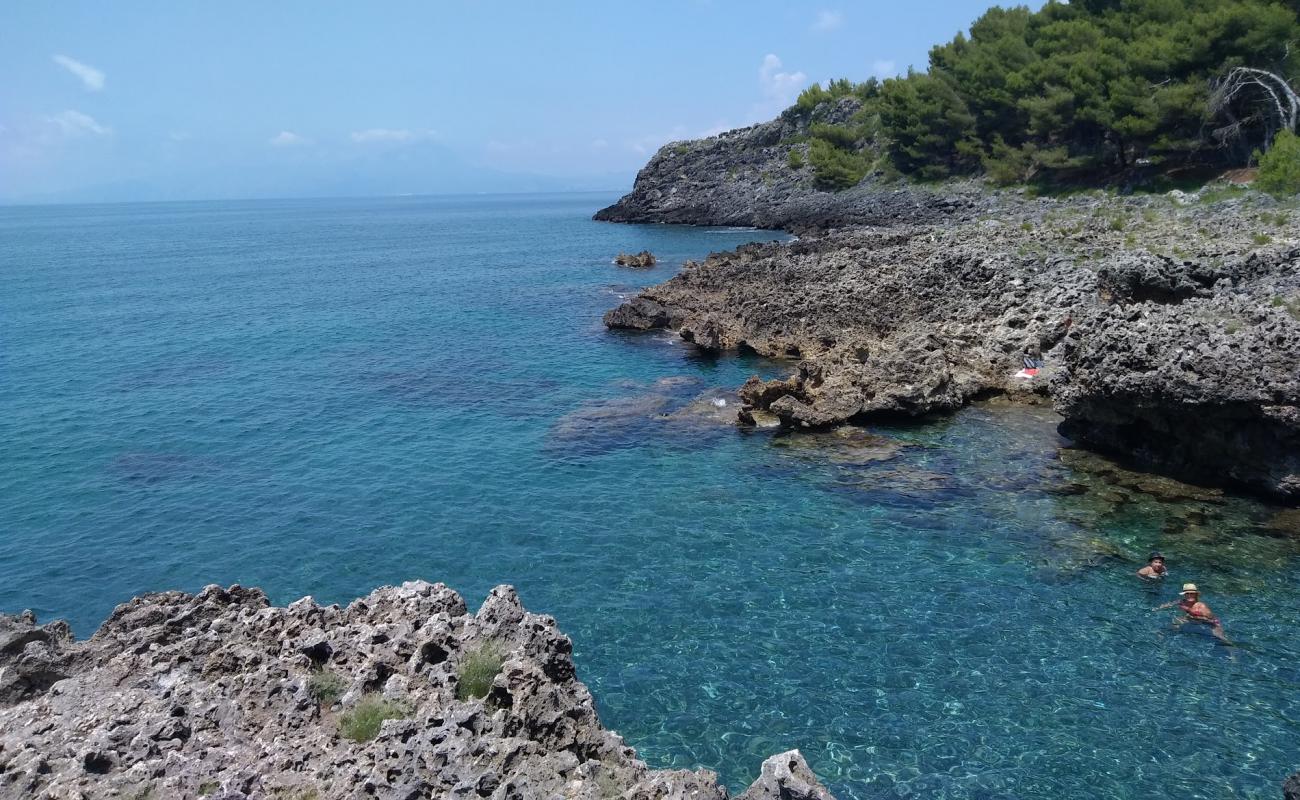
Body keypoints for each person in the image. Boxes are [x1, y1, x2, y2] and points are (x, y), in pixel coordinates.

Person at [1155, 583, 1231, 644]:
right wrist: (1158, 608)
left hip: (1212, 624)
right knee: (1164, 629)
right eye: (1187, 594)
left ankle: (1233, 655)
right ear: (1184, 595)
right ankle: (1160, 644)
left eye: (1192, 593)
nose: (1189, 595)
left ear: (1196, 594)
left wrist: (1192, 616)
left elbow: (1211, 619)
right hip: (1191, 621)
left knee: (1222, 639)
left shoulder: (1201, 606)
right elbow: (1172, 603)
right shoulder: (1182, 602)